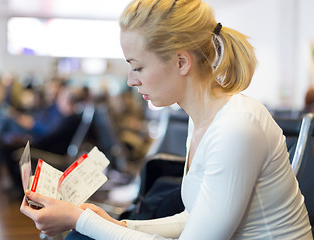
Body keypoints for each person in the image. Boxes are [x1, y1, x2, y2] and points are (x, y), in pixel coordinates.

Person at [20, 0, 313, 239]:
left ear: (181, 62)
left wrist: (79, 219)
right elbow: (193, 220)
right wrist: (117, 224)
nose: (131, 80)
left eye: (138, 67)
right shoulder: (201, 119)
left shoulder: (237, 127)